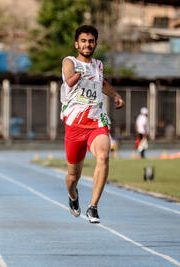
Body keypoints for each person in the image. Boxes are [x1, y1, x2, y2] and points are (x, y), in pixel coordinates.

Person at [60, 25, 124, 223]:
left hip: (96, 121)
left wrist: (115, 95)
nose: (88, 45)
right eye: (84, 41)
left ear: (95, 43)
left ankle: (93, 207)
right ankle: (73, 196)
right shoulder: (69, 62)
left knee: (104, 156)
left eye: (91, 41)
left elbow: (101, 83)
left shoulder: (98, 65)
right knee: (73, 177)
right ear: (77, 44)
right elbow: (69, 80)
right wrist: (78, 75)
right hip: (75, 125)